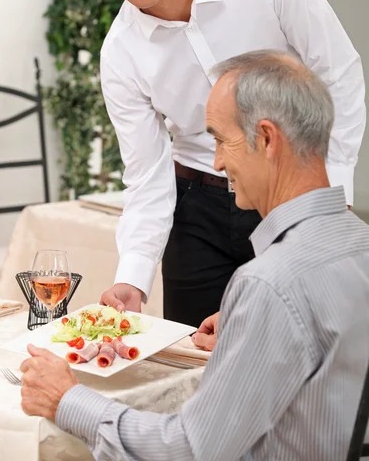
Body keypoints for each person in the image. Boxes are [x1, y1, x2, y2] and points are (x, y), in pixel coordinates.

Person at [20, 51, 369, 460]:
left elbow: (190, 450)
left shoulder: (270, 283)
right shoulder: (358, 243)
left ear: (268, 139)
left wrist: (67, 400)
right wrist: (254, 327)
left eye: (221, 140)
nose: (218, 162)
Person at [73, 0, 365, 327]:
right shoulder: (120, 53)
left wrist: (334, 191)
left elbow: (339, 74)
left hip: (284, 191)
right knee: (192, 358)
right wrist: (133, 275)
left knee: (291, 347)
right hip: (195, 208)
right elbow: (147, 174)